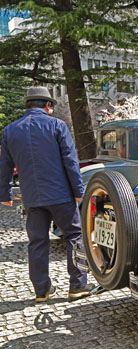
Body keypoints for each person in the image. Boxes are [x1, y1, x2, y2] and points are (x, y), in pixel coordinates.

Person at [0, 87, 93, 302]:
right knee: (74, 237)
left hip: (32, 197)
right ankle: (77, 286)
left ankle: (41, 291)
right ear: (48, 106)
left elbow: (4, 165)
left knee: (37, 242)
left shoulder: (10, 131)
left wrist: (4, 193)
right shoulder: (57, 126)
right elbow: (70, 162)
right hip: (61, 195)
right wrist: (79, 192)